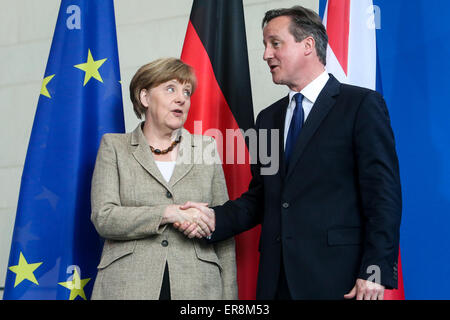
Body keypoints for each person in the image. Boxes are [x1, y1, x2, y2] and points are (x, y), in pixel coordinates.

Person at [177, 6, 402, 300]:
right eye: (265, 45)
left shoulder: (361, 106)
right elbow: (261, 197)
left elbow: (383, 196)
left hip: (340, 279)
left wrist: (375, 271)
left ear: (308, 44)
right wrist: (211, 219)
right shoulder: (267, 119)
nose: (266, 54)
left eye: (275, 43)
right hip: (276, 280)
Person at [90, 58, 237, 300]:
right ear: (145, 98)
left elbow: (222, 228)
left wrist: (230, 298)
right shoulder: (114, 147)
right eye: (171, 88)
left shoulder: (206, 147)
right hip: (128, 286)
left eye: (186, 92)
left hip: (198, 287)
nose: (182, 98)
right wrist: (168, 213)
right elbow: (104, 217)